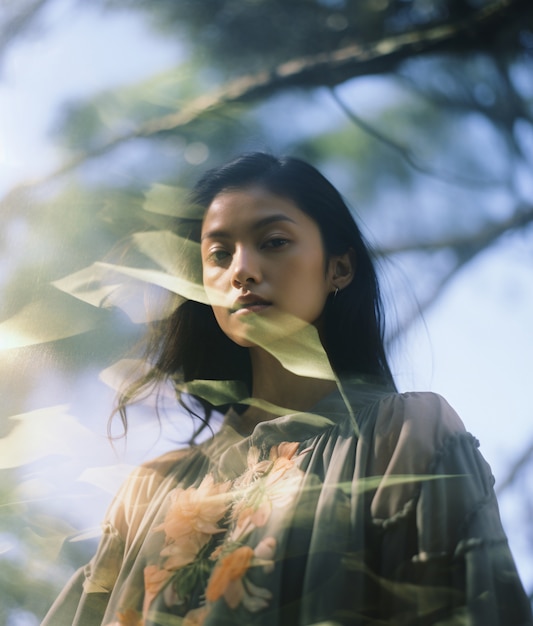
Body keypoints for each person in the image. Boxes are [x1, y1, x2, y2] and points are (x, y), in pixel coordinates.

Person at [43, 153, 532, 625]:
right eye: (219, 254)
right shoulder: (147, 491)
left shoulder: (403, 437)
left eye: (273, 241)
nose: (242, 270)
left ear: (339, 268)